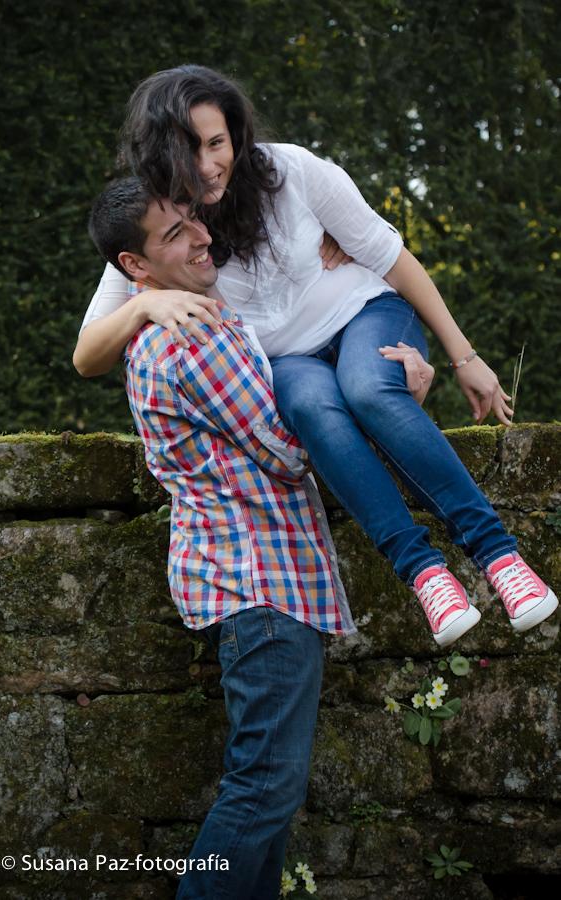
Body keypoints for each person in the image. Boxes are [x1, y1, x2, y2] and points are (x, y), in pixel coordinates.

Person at [74, 66, 558, 647]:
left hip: (366, 314)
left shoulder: (292, 171)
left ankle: (500, 557)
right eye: (187, 149)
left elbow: (392, 258)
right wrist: (144, 307)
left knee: (368, 389)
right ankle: (426, 574)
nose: (206, 165)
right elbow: (87, 355)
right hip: (290, 360)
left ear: (236, 135)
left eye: (217, 143)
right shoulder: (160, 222)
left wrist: (465, 356)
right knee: (309, 404)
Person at [86, 175, 432, 899]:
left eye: (194, 220)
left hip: (254, 586)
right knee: (263, 791)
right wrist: (383, 402)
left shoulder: (180, 322)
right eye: (173, 234)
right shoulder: (197, 336)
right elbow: (292, 448)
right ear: (135, 267)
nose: (201, 235)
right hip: (260, 587)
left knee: (269, 797)